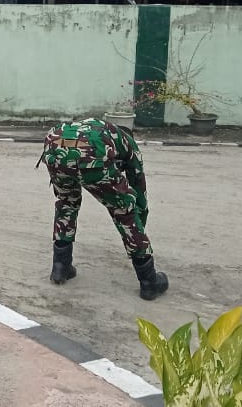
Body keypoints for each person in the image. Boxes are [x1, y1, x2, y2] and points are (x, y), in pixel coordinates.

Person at [38, 118, 169, 300]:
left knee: (67, 203)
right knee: (124, 213)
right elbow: (138, 182)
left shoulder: (96, 127)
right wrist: (139, 217)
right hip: (91, 156)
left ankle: (60, 267)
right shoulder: (128, 144)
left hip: (54, 147)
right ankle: (149, 282)